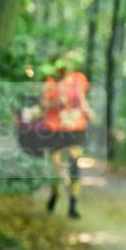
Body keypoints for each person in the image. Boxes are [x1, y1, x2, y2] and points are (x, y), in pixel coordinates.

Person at [40, 53, 92, 219]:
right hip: (55, 128)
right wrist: (56, 103)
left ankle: (73, 204)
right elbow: (43, 105)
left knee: (74, 165)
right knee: (56, 168)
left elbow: (82, 99)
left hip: (76, 127)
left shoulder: (79, 78)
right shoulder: (50, 82)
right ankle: (55, 194)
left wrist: (87, 110)